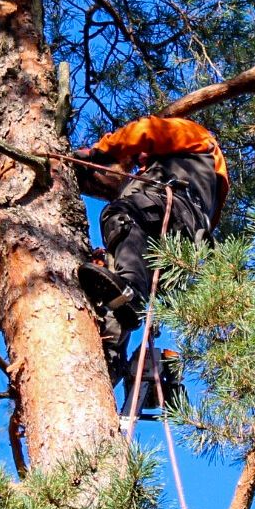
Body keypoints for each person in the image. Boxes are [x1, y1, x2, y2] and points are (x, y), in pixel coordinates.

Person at [74, 115, 228, 400]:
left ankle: (128, 290)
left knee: (120, 216)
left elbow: (146, 130)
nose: (136, 159)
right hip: (177, 241)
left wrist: (99, 151)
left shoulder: (193, 136)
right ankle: (109, 357)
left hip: (171, 212)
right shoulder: (176, 172)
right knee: (119, 292)